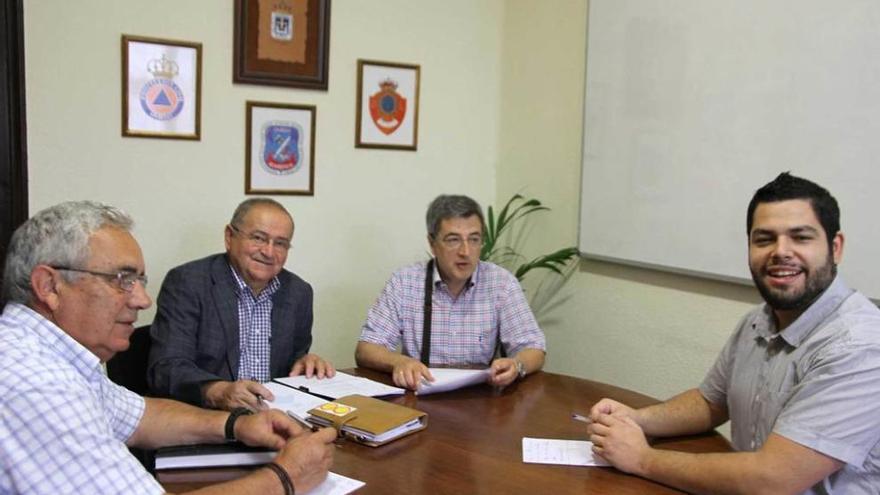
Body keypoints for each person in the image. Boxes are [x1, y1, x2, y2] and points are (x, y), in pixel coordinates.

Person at [0, 201, 336, 494]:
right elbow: (167, 368)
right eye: (122, 280)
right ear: (49, 286)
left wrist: (237, 425)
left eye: (139, 282)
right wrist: (286, 477)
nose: (143, 300)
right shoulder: (36, 383)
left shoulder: (57, 360)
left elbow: (140, 416)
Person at [587, 173, 880, 494]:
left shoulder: (860, 346)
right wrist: (638, 419)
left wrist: (641, 458)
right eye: (764, 239)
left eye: (800, 237)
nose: (781, 251)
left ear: (835, 248)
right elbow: (712, 401)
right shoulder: (759, 320)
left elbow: (772, 479)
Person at [148, 198, 334, 411]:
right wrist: (219, 391)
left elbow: (293, 362)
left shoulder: (298, 292)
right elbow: (166, 368)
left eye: (280, 243)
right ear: (229, 237)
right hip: (208, 419)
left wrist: (306, 363)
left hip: (273, 418)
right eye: (258, 238)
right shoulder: (188, 283)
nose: (269, 252)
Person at [355, 194, 546, 390]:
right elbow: (367, 349)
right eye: (453, 240)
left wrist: (517, 365)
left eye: (474, 239)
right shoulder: (405, 282)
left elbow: (534, 349)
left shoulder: (501, 284)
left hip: (481, 401)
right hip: (420, 397)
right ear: (432, 244)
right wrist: (399, 362)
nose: (465, 251)